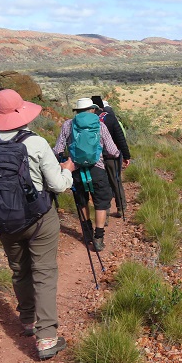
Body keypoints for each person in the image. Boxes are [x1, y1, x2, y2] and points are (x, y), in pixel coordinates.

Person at [0, 89, 76, 360]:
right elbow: (57, 185)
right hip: (39, 217)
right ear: (22, 113)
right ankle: (46, 339)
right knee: (43, 273)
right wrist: (68, 170)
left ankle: (28, 321)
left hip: (2, 218)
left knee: (19, 269)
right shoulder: (35, 143)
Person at [54, 98, 119, 252]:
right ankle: (98, 237)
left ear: (77, 111)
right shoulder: (100, 125)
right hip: (97, 169)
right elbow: (112, 149)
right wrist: (117, 155)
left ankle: (87, 233)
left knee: (81, 201)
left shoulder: (68, 125)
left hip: (75, 170)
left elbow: (58, 149)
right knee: (101, 203)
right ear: (92, 109)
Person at [90, 96, 130, 219]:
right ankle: (121, 207)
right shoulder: (110, 118)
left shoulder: (88, 120)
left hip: (94, 158)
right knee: (115, 181)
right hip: (111, 156)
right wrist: (126, 155)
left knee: (102, 184)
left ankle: (104, 214)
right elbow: (120, 138)